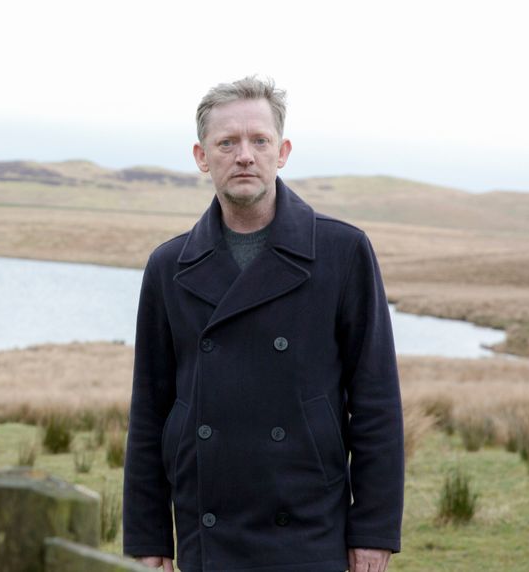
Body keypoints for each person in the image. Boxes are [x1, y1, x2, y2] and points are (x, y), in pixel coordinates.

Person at [122, 77, 404, 572]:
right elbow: (151, 410)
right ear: (201, 156)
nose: (244, 155)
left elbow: (376, 403)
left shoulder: (342, 252)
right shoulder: (169, 266)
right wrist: (150, 540)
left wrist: (374, 530)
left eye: (259, 140)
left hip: (311, 529)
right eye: (226, 142)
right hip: (207, 534)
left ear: (283, 151)